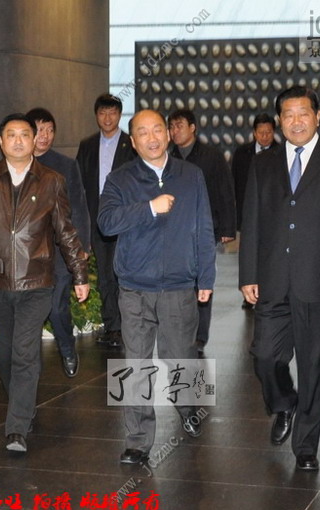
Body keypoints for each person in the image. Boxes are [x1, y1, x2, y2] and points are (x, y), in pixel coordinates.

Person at [239, 86, 320, 472]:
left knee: (315, 366)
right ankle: (283, 402)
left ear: (317, 117)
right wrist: (248, 273)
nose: (296, 121)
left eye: (303, 113)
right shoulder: (263, 163)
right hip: (273, 278)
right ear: (279, 120)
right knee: (265, 355)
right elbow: (252, 219)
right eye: (288, 115)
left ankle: (307, 445)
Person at [0, 113, 89, 453]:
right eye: (11, 135)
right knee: (4, 355)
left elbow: (66, 231)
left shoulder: (52, 181)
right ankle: (23, 404)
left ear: (34, 141)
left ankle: (16, 428)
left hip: (37, 281)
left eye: (25, 135)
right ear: (1, 142)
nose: (18, 141)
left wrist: (79, 274)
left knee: (25, 353)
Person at [98, 109, 216, 464]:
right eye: (142, 133)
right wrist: (148, 208)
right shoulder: (119, 179)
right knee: (135, 362)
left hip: (179, 284)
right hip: (134, 287)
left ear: (167, 134)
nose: (151, 138)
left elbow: (204, 226)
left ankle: (190, 409)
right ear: (133, 142)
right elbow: (106, 222)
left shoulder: (191, 175)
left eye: (157, 130)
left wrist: (206, 276)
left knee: (182, 354)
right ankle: (137, 440)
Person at [25, 107, 90, 378]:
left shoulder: (66, 165)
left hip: (60, 251)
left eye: (50, 130)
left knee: (56, 306)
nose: (45, 136)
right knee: (28, 310)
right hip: (27, 253)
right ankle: (27, 364)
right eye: (40, 130)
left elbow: (79, 206)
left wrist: (82, 246)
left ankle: (67, 348)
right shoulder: (17, 165)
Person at [168, 109, 236, 352]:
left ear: (193, 127)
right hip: (175, 231)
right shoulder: (168, 157)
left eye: (179, 126)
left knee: (202, 280)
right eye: (171, 127)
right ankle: (181, 330)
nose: (174, 131)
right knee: (179, 282)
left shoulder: (211, 156)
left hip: (204, 229)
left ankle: (200, 335)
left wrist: (227, 226)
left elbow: (225, 191)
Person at [76, 94, 137, 348]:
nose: (107, 118)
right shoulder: (87, 145)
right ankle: (113, 327)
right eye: (102, 113)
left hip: (124, 219)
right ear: (96, 116)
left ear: (120, 115)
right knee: (104, 276)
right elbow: (79, 185)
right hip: (97, 220)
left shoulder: (130, 145)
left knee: (123, 274)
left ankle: (129, 326)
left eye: (112, 112)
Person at [232, 114, 278, 308]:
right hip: (248, 212)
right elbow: (235, 183)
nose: (265, 136)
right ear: (254, 133)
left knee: (270, 254)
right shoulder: (242, 153)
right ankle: (249, 293)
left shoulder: (281, 153)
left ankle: (268, 292)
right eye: (261, 132)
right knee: (249, 253)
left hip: (274, 215)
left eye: (268, 132)